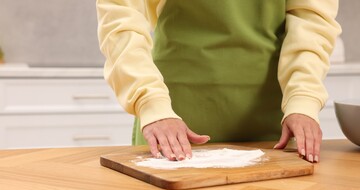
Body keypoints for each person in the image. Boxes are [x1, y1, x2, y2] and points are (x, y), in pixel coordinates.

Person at [96, 0, 341, 162]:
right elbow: (121, 18)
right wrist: (151, 103)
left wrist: (303, 99)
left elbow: (312, 22)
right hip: (172, 114)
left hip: (274, 123)